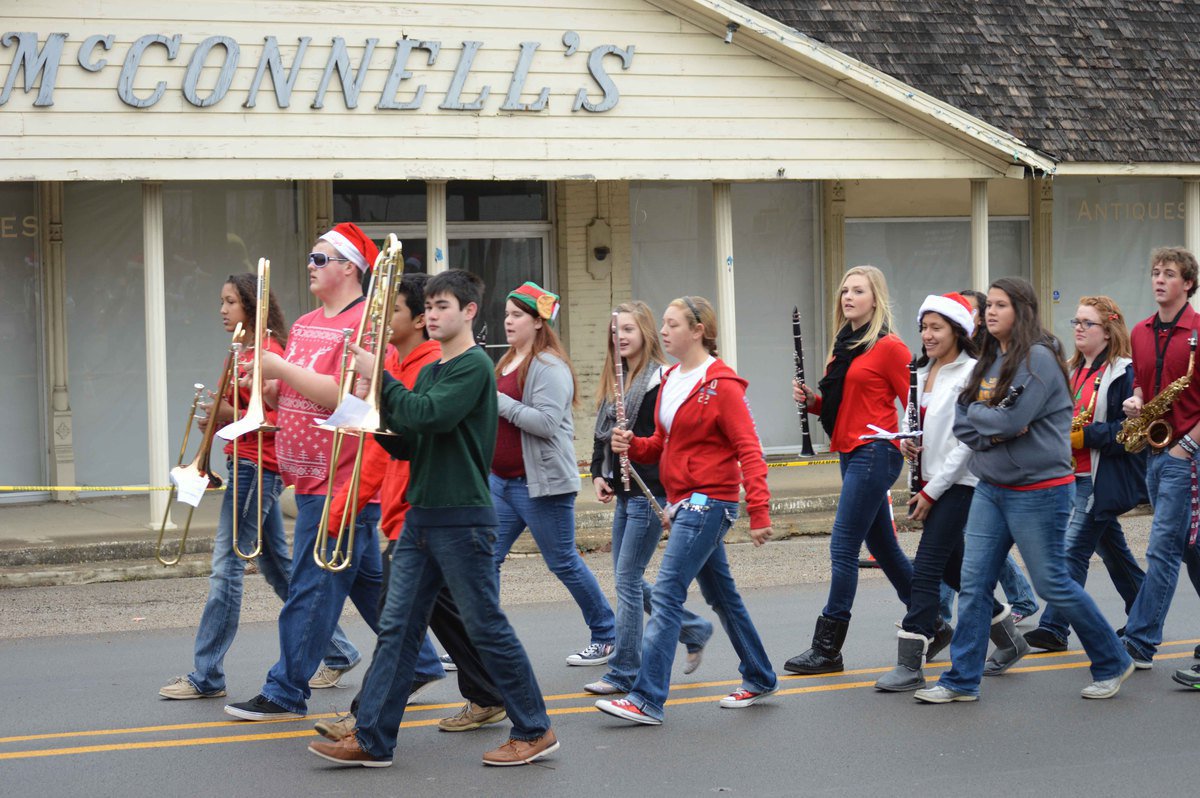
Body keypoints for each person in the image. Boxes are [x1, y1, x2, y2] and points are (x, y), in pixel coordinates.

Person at [307, 269, 559, 768]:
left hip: (463, 519)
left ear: (469, 312)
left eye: (444, 306)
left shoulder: (472, 368)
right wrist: (367, 412)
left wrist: (377, 375)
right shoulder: (428, 373)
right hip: (422, 517)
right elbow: (412, 440)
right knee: (397, 629)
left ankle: (534, 728)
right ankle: (373, 740)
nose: (434, 314)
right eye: (430, 306)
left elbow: (430, 416)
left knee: (485, 626)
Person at [914, 277, 1133, 703]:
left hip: (1040, 490)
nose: (989, 312)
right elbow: (966, 420)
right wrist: (988, 422)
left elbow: (1013, 421)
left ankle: (1111, 659)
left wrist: (990, 421)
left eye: (999, 305)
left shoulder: (1039, 359)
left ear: (1022, 309)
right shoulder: (988, 358)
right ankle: (961, 680)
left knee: (1052, 584)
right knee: (974, 586)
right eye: (987, 307)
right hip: (991, 488)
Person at [314, 273, 496, 741]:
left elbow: (413, 428)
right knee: (442, 617)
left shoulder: (436, 364)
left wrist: (342, 510)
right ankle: (491, 694)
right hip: (416, 512)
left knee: (406, 625)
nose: (383, 320)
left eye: (394, 311)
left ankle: (366, 722)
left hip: (423, 512)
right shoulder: (401, 360)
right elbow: (390, 437)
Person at [159, 274, 355, 700]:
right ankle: (339, 649)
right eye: (221, 301)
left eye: (230, 301)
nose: (223, 309)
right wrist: (215, 420)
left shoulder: (267, 352)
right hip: (243, 461)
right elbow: (241, 411)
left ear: (251, 304)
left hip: (257, 466)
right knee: (277, 569)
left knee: (226, 568)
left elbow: (278, 412)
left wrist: (224, 411)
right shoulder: (244, 349)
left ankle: (207, 674)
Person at [224, 223, 388, 721]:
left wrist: (280, 371)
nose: (311, 267)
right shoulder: (305, 322)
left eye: (320, 259)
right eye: (312, 259)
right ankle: (423, 660)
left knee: (310, 588)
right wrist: (263, 386)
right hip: (307, 475)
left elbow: (351, 400)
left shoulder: (366, 325)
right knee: (369, 587)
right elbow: (290, 394)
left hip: (343, 476)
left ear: (348, 267)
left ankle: (285, 689)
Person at [595, 295, 777, 725]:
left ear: (698, 330)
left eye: (673, 324)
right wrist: (633, 445)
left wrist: (760, 511)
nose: (663, 331)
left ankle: (646, 698)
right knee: (722, 597)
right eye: (663, 323)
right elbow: (662, 442)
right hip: (684, 501)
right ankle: (760, 674)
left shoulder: (723, 383)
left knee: (670, 591)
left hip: (711, 501)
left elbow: (749, 450)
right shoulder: (672, 377)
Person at [874, 292, 1007, 691]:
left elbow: (967, 443)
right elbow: (911, 423)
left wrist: (933, 491)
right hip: (930, 480)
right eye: (924, 328)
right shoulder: (920, 371)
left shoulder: (973, 373)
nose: (927, 335)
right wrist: (905, 442)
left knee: (928, 567)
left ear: (958, 330)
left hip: (960, 483)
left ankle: (911, 661)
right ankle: (1009, 639)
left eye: (936, 328)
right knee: (958, 571)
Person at [784, 265, 913, 675]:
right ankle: (932, 620)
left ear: (875, 298)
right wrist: (813, 401)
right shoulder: (844, 345)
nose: (848, 296)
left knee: (842, 547)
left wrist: (913, 439)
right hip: (849, 450)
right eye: (844, 290)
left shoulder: (889, 346)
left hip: (876, 450)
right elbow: (842, 405)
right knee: (886, 549)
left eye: (858, 290)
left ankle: (827, 649)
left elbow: (916, 399)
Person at [585, 301, 713, 696]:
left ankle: (624, 671)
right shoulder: (617, 378)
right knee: (629, 579)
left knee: (625, 579)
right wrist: (597, 474)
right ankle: (693, 626)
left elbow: (662, 442)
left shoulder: (660, 378)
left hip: (648, 491)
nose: (620, 337)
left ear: (645, 333)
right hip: (623, 489)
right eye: (615, 330)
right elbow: (602, 434)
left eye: (628, 329)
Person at [491, 282, 617, 665]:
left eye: (517, 315)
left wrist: (499, 402)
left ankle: (607, 635)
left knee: (562, 561)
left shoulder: (549, 366)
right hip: (500, 482)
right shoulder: (507, 360)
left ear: (538, 322)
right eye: (507, 314)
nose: (508, 321)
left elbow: (545, 423)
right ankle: (478, 639)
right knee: (484, 559)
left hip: (540, 485)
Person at [1024, 296, 1147, 652]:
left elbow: (1129, 433)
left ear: (1107, 331)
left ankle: (1053, 628)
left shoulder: (1123, 372)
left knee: (1071, 552)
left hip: (1097, 476)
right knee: (1113, 551)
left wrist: (1083, 435)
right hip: (1067, 476)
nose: (1077, 328)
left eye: (1086, 323)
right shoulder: (1070, 369)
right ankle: (1145, 611)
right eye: (1076, 321)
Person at [1120, 247, 1200, 671]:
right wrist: (1136, 400)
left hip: (1186, 452)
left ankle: (1140, 641)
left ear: (1187, 283)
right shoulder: (1140, 330)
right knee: (1193, 548)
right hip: (1153, 449)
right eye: (1155, 272)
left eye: (1169, 273)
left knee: (1164, 547)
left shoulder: (1199, 332)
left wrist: (1187, 446)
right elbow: (1140, 379)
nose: (1159, 279)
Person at [945, 288, 1040, 626]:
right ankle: (941, 614)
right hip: (970, 460)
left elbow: (1007, 418)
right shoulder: (962, 354)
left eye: (974, 310)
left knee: (969, 543)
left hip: (985, 469)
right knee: (963, 545)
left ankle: (1022, 599)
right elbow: (961, 418)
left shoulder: (998, 357)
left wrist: (986, 428)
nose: (975, 316)